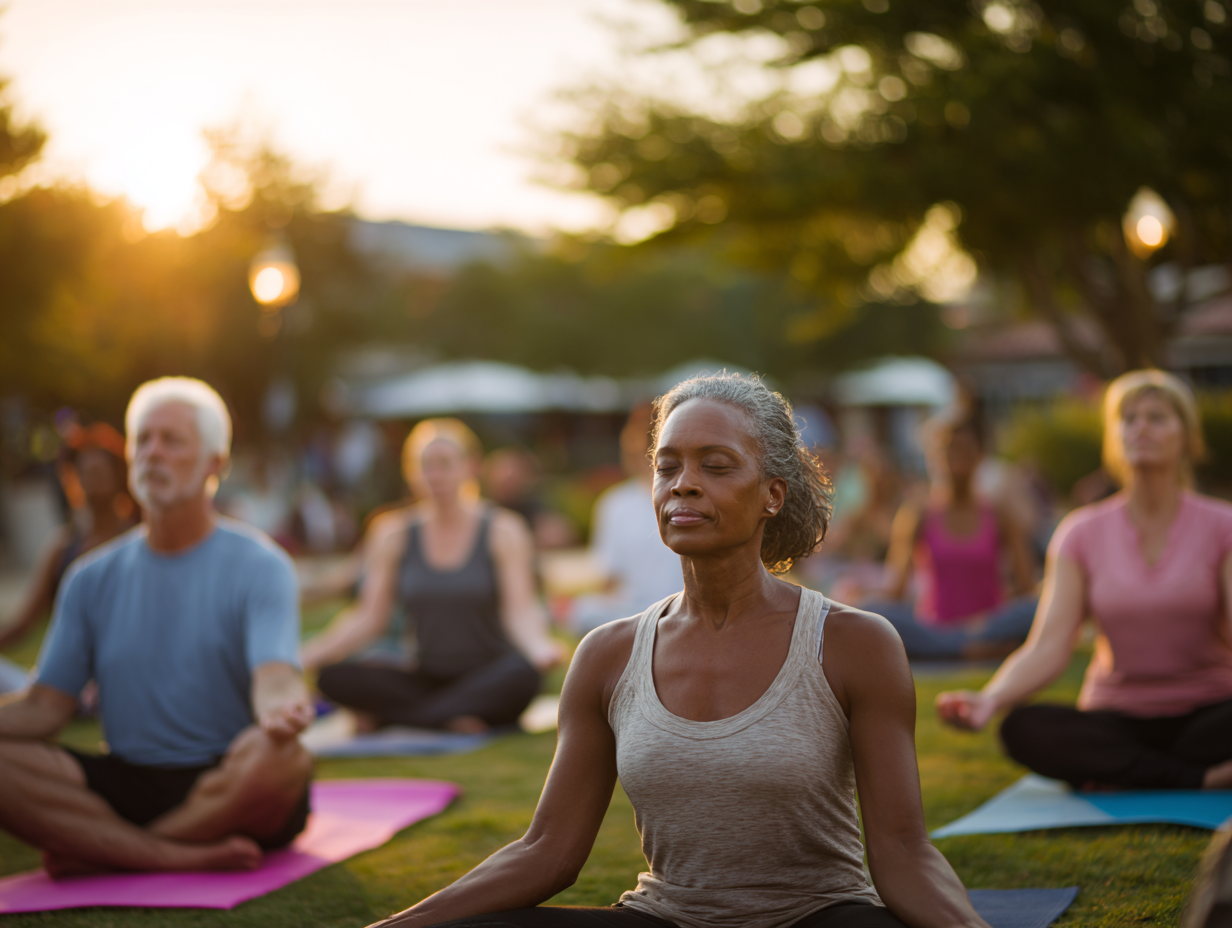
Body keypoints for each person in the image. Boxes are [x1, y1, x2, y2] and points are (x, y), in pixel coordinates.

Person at [367, 373, 990, 928]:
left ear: (773, 494)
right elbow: (546, 851)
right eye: (668, 468)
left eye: (715, 466)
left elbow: (905, 849)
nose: (683, 486)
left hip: (816, 915)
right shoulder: (606, 656)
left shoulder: (854, 643)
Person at [0, 377, 314, 876]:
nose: (152, 453)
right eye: (142, 439)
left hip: (227, 779)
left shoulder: (262, 564)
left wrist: (283, 709)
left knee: (283, 757)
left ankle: (114, 852)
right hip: (129, 779)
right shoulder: (88, 577)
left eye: (172, 441)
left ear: (215, 462)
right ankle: (171, 855)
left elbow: (275, 674)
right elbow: (44, 708)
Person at [937, 370, 1232, 791]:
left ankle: (1131, 771)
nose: (1141, 426)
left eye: (1157, 417)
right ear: (1114, 438)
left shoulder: (1223, 526)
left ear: (1187, 436)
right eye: (1128, 418)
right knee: (1023, 728)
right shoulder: (1081, 532)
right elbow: (1048, 646)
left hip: (1210, 713)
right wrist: (991, 699)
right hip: (1116, 719)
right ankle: (1200, 777)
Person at [303, 418, 563, 733]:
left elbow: (519, 610)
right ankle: (452, 717)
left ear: (471, 466)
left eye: (445, 464)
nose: (435, 475)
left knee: (522, 675)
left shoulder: (504, 529)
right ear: (411, 471)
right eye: (426, 465)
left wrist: (540, 648)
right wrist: (307, 655)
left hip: (488, 673)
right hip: (423, 675)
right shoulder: (391, 532)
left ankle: (402, 718)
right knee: (332, 678)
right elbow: (369, 617)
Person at [862, 413, 1036, 661]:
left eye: (965, 448)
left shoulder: (999, 514)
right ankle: (965, 650)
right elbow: (895, 591)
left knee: (1036, 609)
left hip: (988, 627)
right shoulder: (918, 513)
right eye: (949, 449)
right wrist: (861, 599)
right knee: (871, 612)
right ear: (934, 457)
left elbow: (1026, 587)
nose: (957, 456)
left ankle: (960, 649)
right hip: (933, 630)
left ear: (981, 454)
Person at [0, 423, 136, 694]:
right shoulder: (63, 547)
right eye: (83, 473)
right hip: (62, 686)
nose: (90, 480)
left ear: (119, 476)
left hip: (118, 682)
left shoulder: (139, 542)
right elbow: (25, 622)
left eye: (98, 472)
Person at [570, 404, 684, 635]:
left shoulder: (686, 495)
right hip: (631, 610)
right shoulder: (615, 503)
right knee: (582, 612)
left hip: (682, 608)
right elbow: (609, 578)